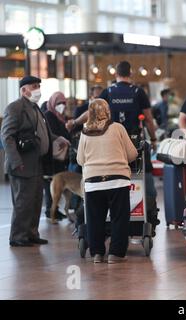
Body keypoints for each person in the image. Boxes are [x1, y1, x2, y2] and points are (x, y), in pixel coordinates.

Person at [66, 61, 160, 235]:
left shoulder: (108, 92)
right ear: (130, 73)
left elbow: (91, 111)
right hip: (133, 141)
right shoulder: (138, 92)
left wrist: (75, 122)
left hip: (109, 144)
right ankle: (147, 218)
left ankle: (100, 226)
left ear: (115, 74)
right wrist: (153, 138)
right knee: (144, 181)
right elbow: (148, 118)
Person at [1, 76, 68, 247]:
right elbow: (6, 136)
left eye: (38, 85)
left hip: (37, 162)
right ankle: (18, 236)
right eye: (34, 86)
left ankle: (31, 233)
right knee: (23, 202)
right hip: (22, 163)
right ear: (24, 90)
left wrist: (57, 138)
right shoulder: (15, 108)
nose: (38, 89)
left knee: (36, 200)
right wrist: (16, 161)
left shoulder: (35, 108)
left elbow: (42, 132)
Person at [77, 99, 138, 264]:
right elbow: (132, 154)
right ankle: (116, 254)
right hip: (117, 181)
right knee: (119, 218)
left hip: (93, 182)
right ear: (107, 111)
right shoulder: (117, 128)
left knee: (94, 219)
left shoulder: (85, 132)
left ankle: (97, 253)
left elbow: (80, 160)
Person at [43, 91, 72, 221]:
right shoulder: (49, 115)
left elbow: (65, 133)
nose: (62, 105)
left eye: (64, 103)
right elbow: (52, 134)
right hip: (51, 157)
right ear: (53, 102)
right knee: (52, 185)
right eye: (59, 103)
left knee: (59, 186)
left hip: (60, 157)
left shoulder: (60, 116)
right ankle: (50, 210)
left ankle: (55, 210)